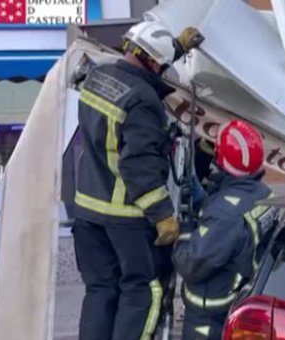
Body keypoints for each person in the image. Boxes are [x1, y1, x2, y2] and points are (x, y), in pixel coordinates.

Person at [72, 21, 202, 340]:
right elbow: (138, 166)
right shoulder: (144, 101)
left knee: (100, 289)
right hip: (125, 216)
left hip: (87, 209)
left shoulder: (96, 77)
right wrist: (163, 216)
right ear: (155, 62)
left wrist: (177, 49)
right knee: (144, 289)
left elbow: (145, 64)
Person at [172, 120, 277, 340]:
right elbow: (233, 234)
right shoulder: (264, 194)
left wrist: (187, 227)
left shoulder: (224, 216)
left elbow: (190, 263)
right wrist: (207, 203)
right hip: (235, 298)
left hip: (207, 315)